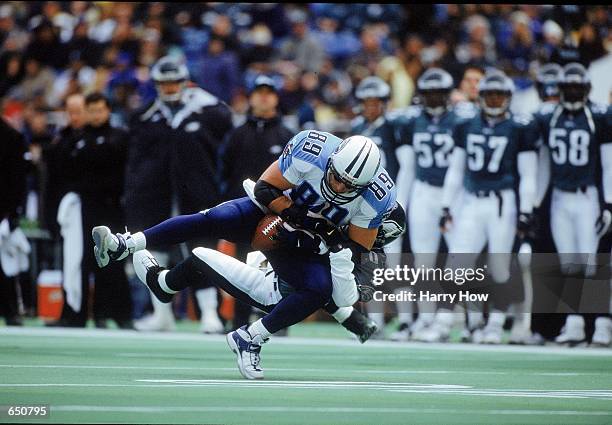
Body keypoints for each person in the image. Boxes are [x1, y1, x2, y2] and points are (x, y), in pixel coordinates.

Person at [92, 132, 395, 379]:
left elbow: (350, 257)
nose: (340, 187)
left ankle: (249, 336)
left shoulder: (374, 201)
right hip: (274, 214)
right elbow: (265, 189)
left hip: (301, 247)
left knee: (318, 287)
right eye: (337, 177)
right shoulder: (311, 149)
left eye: (350, 185)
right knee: (216, 218)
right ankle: (126, 244)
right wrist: (300, 219)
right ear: (330, 161)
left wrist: (323, 238)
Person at [131, 201, 407, 345]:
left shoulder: (370, 258)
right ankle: (164, 283)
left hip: (272, 291)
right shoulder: (342, 226)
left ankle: (163, 283)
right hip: (272, 266)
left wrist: (335, 251)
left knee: (200, 255)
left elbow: (341, 293)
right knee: (317, 281)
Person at [124, 55, 233, 333]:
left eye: (174, 83)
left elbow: (224, 154)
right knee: (154, 252)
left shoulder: (211, 111)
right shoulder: (145, 116)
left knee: (200, 252)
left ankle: (210, 313)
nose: (170, 88)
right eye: (164, 83)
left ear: (184, 82)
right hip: (155, 195)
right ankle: (162, 315)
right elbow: (135, 161)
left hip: (197, 194)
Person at [437, 70, 539, 344]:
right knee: (457, 262)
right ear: (481, 96)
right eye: (489, 95)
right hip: (471, 200)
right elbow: (456, 170)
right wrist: (446, 206)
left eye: (499, 95)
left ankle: (494, 324)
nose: (494, 100)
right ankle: (444, 321)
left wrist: (526, 211)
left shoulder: (520, 126)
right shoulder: (466, 123)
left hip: (502, 203)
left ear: (508, 97)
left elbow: (528, 174)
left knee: (500, 266)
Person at [390, 67, 475, 342]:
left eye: (440, 93)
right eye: (430, 93)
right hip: (424, 190)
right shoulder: (412, 120)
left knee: (460, 257)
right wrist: (402, 201)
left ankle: (470, 321)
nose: (435, 98)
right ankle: (426, 319)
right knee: (422, 259)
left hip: (456, 194)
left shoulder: (462, 120)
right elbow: (409, 167)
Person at [532, 62, 612, 346]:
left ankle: (601, 324)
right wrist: (534, 204)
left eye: (579, 87)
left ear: (587, 89)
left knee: (592, 263)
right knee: (569, 263)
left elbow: (607, 162)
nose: (574, 92)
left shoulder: (598, 116)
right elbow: (541, 165)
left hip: (587, 195)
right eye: (569, 87)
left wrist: (608, 203)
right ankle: (575, 322)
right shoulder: (549, 116)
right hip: (559, 198)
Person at [50, 92, 132, 328]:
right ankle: (76, 314)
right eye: (91, 110)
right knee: (80, 261)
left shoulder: (119, 137)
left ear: (108, 111)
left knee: (113, 260)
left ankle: (117, 315)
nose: (95, 115)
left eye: (99, 110)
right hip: (83, 210)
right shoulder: (75, 139)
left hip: (112, 208)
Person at [220, 75, 293, 329]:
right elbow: (225, 170)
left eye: (268, 92)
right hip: (244, 212)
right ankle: (239, 320)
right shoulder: (238, 134)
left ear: (275, 97)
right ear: (251, 97)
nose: (263, 97)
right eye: (259, 91)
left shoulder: (287, 135)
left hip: (277, 213)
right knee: (241, 267)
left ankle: (279, 322)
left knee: (281, 267)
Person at [350, 76, 402, 337]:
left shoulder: (393, 127)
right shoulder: (357, 126)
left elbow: (403, 166)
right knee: (369, 264)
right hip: (365, 204)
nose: (371, 107)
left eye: (376, 102)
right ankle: (375, 321)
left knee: (394, 263)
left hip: (389, 203)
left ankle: (406, 319)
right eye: (366, 102)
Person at [0, 116, 28, 326]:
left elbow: (18, 178)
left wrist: (13, 212)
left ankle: (10, 310)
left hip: (2, 209)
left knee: (6, 262)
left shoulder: (11, 136)